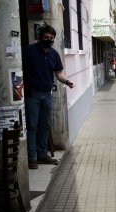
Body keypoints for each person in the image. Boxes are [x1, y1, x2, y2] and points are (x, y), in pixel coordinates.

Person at [23, 24, 75, 170]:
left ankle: (42, 154)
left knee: (45, 125)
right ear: (40, 36)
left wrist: (67, 81)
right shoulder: (29, 51)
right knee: (32, 126)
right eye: (46, 37)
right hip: (32, 94)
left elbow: (58, 73)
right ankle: (32, 158)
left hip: (47, 93)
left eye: (51, 38)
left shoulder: (54, 54)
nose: (49, 40)